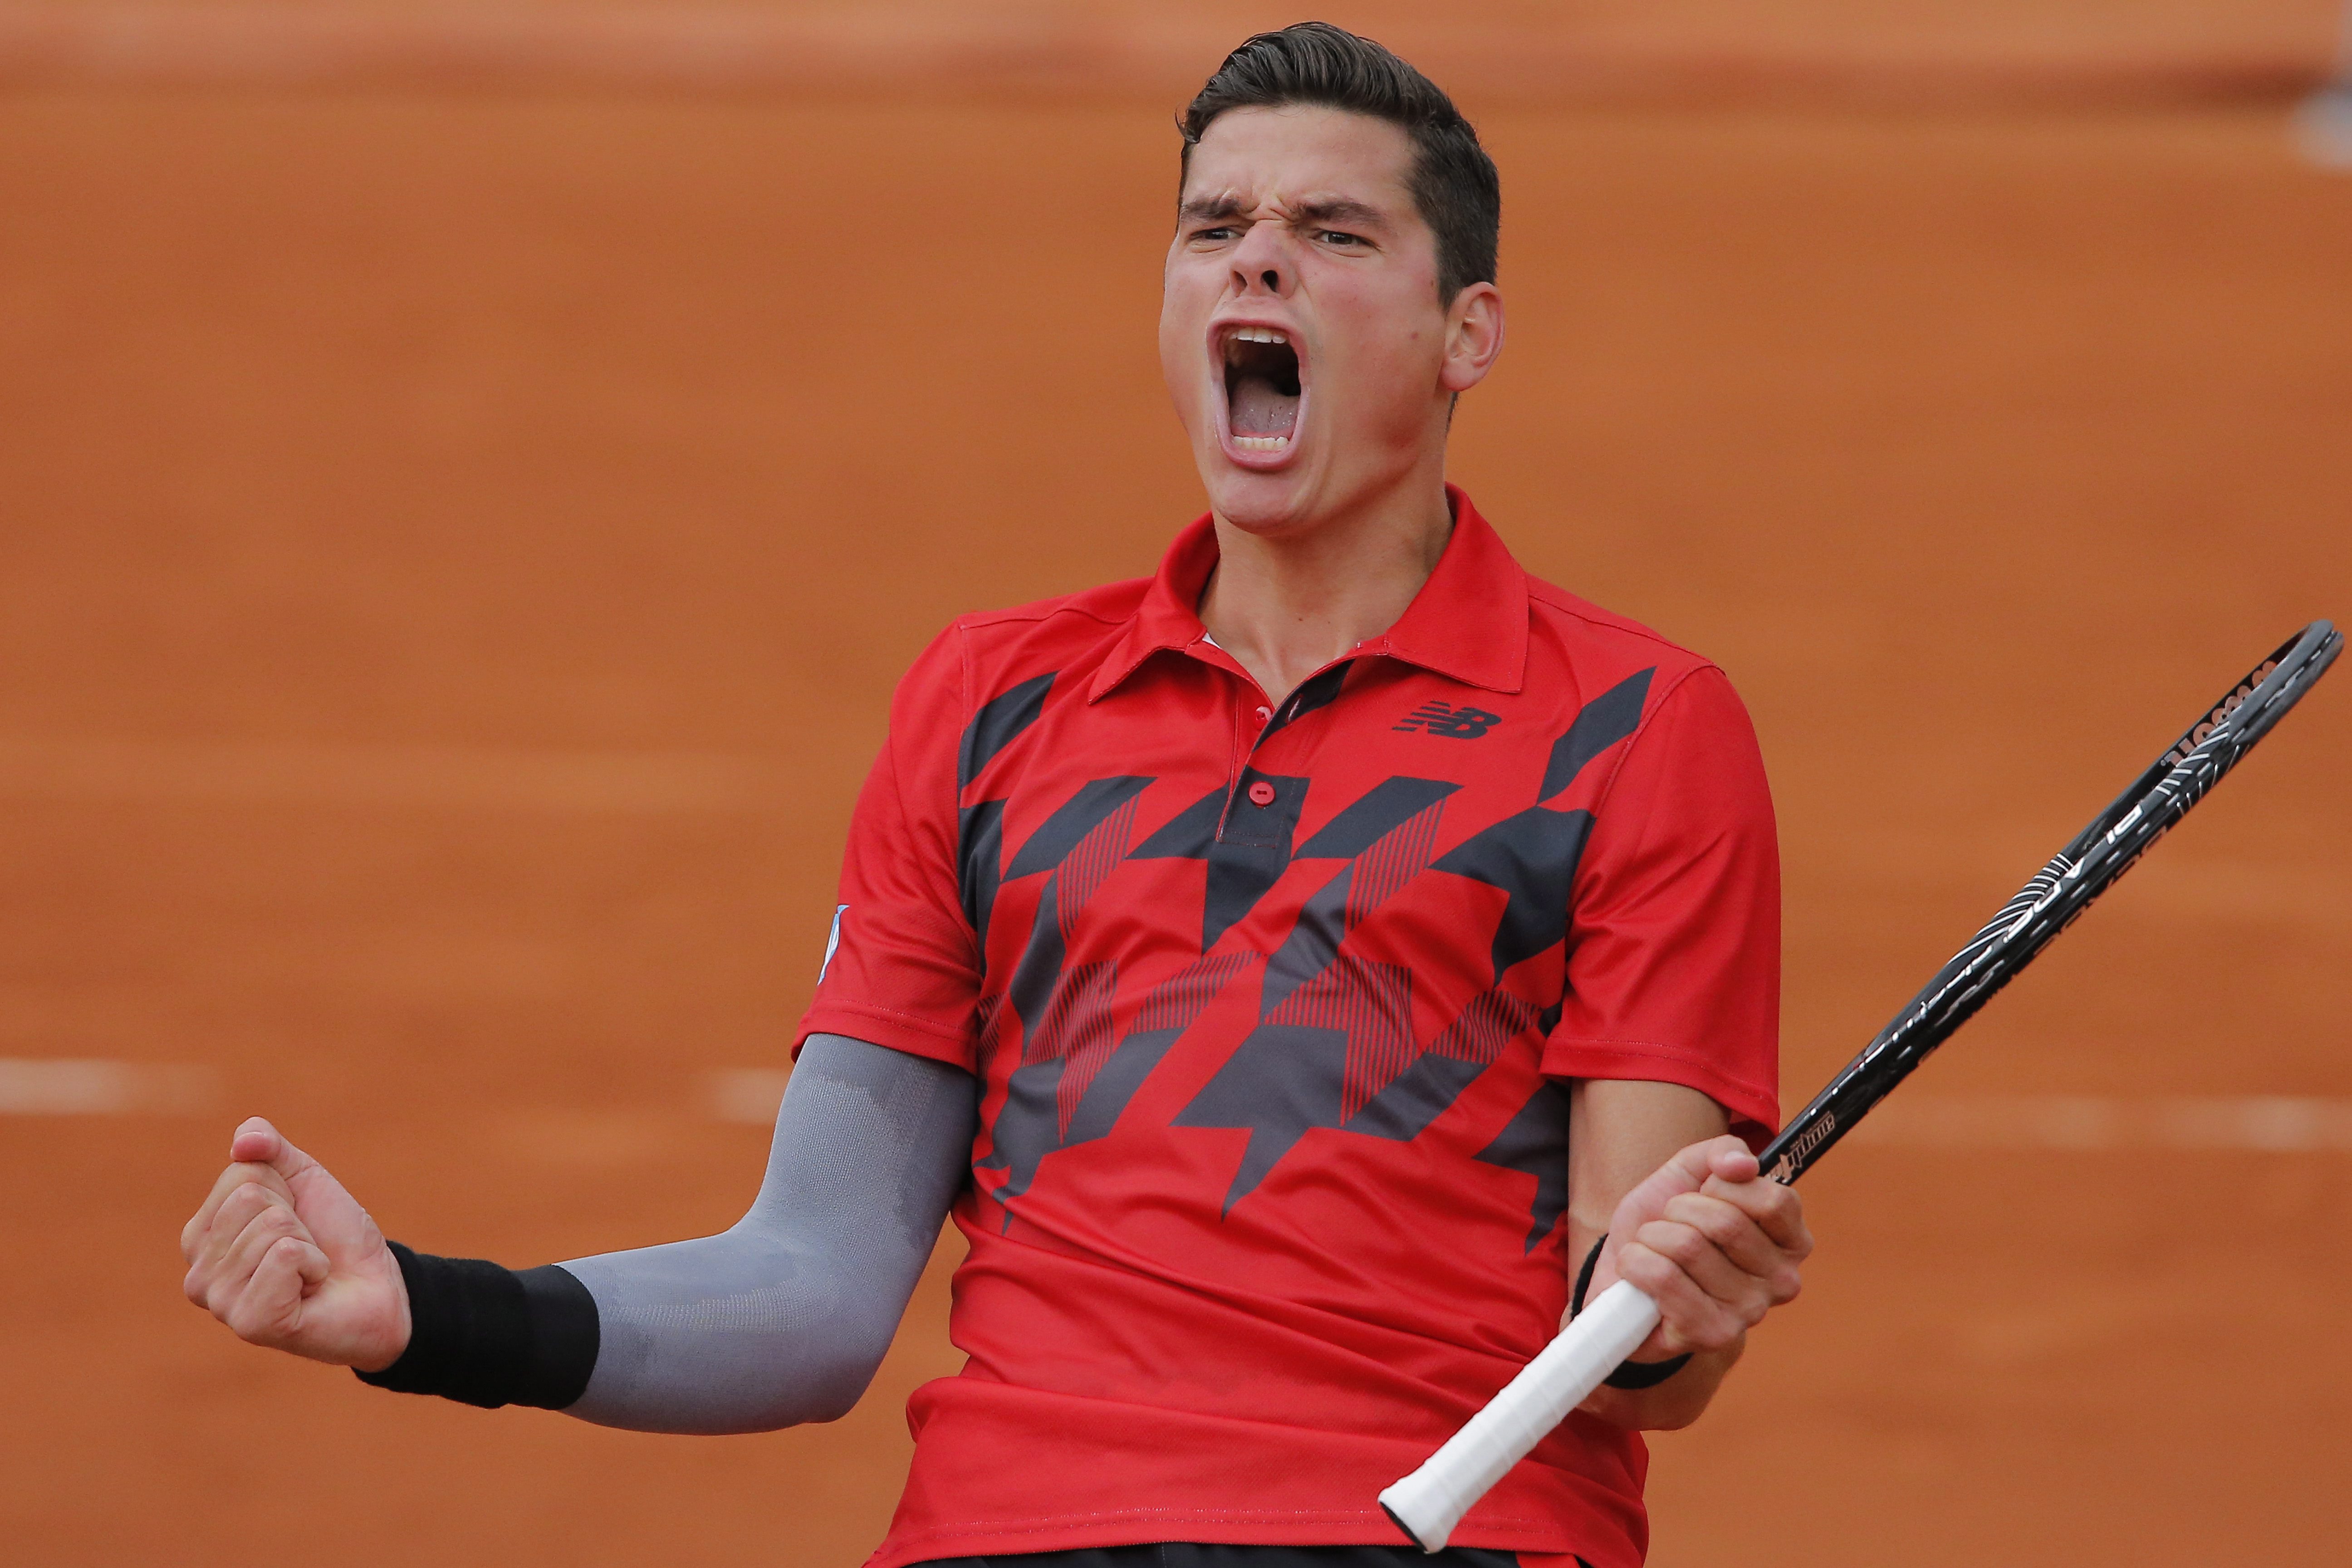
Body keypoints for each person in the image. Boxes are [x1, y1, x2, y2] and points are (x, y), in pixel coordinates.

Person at [180, 23, 1810, 1568]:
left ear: (1471, 334)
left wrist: (1677, 1302)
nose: (1256, 258)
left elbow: (1632, 1334)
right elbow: (813, 1291)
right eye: (1215, 227)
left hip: (1435, 1524)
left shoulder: (1633, 727)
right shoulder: (991, 704)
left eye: (1335, 232)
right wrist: (424, 1310)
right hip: (1005, 1530)